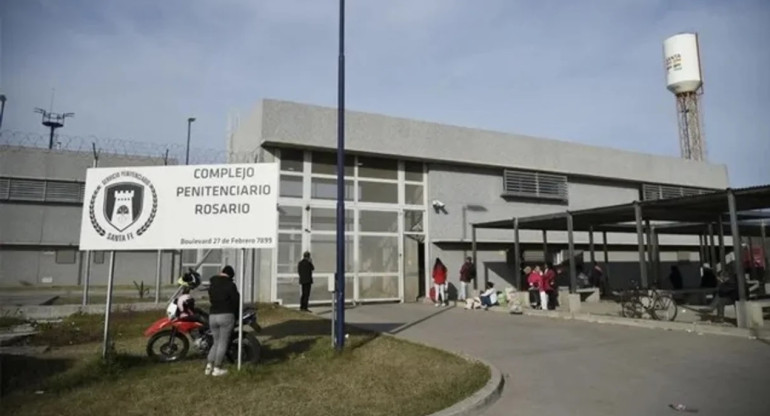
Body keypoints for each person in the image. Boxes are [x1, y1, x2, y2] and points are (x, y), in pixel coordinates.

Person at [205, 265, 240, 377]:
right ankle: (217, 368)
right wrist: (236, 314)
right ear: (230, 275)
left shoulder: (212, 285)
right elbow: (236, 301)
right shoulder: (230, 285)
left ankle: (209, 366)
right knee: (223, 343)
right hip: (226, 315)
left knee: (215, 342)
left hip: (212, 316)